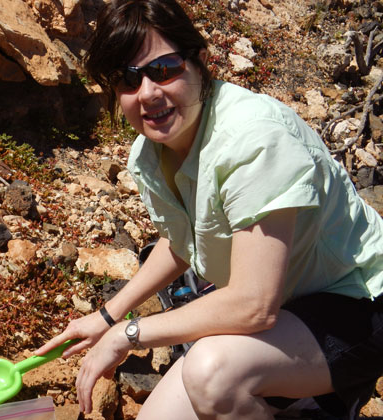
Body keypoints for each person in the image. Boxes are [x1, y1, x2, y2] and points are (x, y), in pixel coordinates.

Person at [35, 0, 383, 418]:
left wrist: (129, 334)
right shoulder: (151, 154)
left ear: (200, 62)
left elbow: (253, 304)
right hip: (282, 310)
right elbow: (184, 241)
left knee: (213, 374)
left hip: (356, 301)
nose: (147, 92)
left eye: (164, 69)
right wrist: (108, 316)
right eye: (126, 78)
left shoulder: (253, 140)